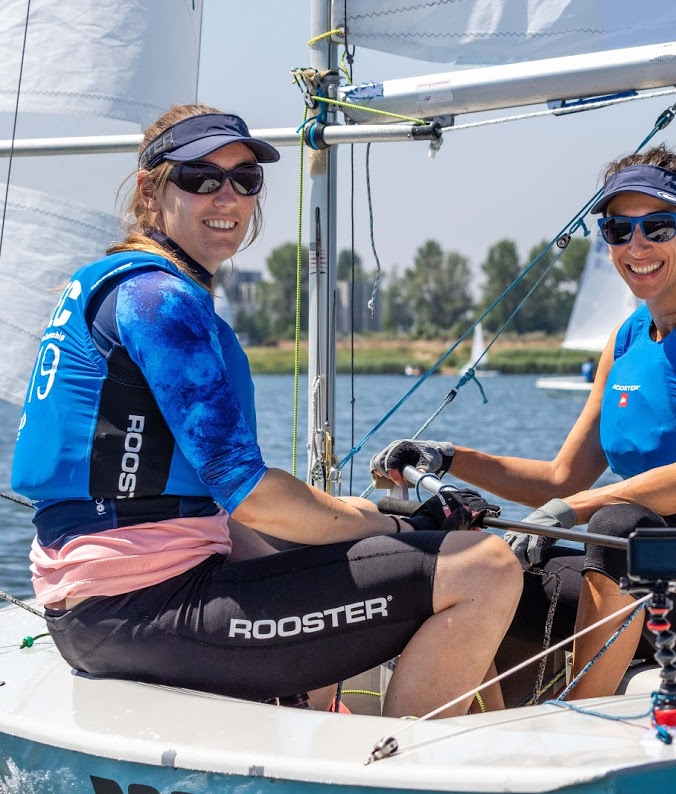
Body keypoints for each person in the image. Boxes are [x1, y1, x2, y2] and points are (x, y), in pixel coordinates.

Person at [10, 104, 522, 718]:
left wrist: (384, 523)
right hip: (144, 609)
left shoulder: (119, 285)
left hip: (93, 612)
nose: (226, 196)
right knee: (485, 568)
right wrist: (404, 531)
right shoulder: (160, 300)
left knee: (354, 543)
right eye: (201, 177)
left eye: (245, 179)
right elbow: (251, 497)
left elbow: (217, 514)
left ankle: (345, 723)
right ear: (151, 190)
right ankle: (399, 764)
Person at [373, 145, 676, 701]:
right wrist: (446, 457)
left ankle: (580, 718)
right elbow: (561, 479)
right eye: (618, 229)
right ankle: (487, 733)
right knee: (486, 568)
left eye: (658, 227)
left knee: (618, 527)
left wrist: (571, 511)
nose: (637, 245)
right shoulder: (625, 341)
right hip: (640, 568)